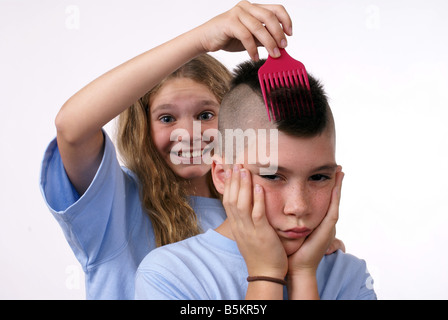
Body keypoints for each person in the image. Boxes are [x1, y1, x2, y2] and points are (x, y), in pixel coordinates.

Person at [39, 1, 301, 300]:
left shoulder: (256, 207)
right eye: (167, 118)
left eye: (205, 115)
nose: (189, 134)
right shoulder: (116, 206)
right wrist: (202, 39)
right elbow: (71, 128)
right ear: (142, 129)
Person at [135, 59, 377, 300]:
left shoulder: (350, 276)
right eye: (272, 176)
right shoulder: (168, 275)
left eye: (319, 177)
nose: (298, 206)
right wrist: (266, 274)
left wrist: (303, 275)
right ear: (222, 175)